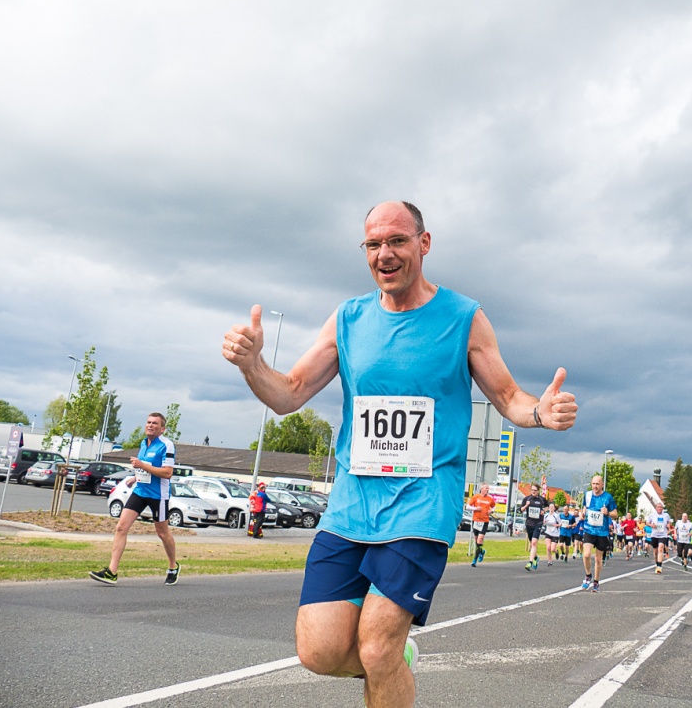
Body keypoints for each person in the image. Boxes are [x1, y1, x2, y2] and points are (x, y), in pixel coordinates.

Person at [222, 201, 577, 708]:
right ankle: (394, 661)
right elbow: (288, 393)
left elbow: (508, 398)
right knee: (319, 651)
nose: (384, 254)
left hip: (422, 503)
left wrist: (541, 413)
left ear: (423, 244)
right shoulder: (349, 318)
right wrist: (253, 364)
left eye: (397, 241)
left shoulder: (463, 318)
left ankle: (388, 656)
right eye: (373, 244)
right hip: (351, 506)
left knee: (376, 642)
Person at [89, 413, 180, 586]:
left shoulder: (167, 445)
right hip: (140, 491)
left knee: (162, 532)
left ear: (162, 428)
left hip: (158, 495)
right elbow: (145, 468)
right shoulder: (143, 444)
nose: (150, 425)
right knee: (121, 527)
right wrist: (136, 476)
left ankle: (173, 566)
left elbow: (167, 473)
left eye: (155, 423)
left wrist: (142, 465)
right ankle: (112, 572)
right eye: (148, 422)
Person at [579, 475, 617, 592]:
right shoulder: (588, 495)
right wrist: (582, 513)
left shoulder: (608, 497)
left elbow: (615, 514)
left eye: (597, 484)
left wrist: (607, 513)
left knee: (598, 559)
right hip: (589, 529)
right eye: (593, 484)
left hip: (602, 531)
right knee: (586, 555)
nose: (595, 486)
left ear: (602, 485)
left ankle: (596, 582)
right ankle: (588, 575)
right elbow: (585, 507)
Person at [519, 484, 550, 571]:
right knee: (531, 544)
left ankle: (530, 562)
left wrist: (544, 510)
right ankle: (536, 557)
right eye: (532, 490)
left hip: (538, 523)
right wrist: (526, 505)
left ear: (538, 491)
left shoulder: (541, 499)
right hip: (529, 523)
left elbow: (547, 506)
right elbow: (521, 509)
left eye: (535, 490)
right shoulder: (527, 499)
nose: (533, 491)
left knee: (534, 543)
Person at [467, 483, 496, 567]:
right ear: (481, 489)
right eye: (486, 488)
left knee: (480, 539)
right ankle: (481, 551)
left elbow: (494, 507)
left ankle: (474, 560)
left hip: (484, 521)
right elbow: (468, 506)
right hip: (475, 520)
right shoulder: (476, 497)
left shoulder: (490, 499)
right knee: (476, 541)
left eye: (488, 488)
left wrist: (492, 511)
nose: (487, 489)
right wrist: (476, 508)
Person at [647, 503, 672, 574]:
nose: (659, 508)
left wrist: (668, 526)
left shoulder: (666, 515)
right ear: (656, 508)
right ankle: (656, 563)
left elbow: (668, 523)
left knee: (660, 548)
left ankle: (659, 566)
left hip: (663, 535)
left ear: (662, 508)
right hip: (654, 534)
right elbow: (647, 523)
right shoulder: (652, 515)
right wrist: (652, 525)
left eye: (661, 507)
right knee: (655, 551)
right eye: (658, 507)